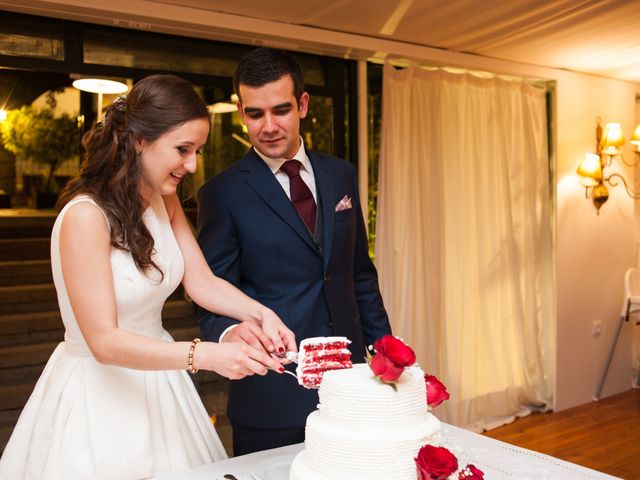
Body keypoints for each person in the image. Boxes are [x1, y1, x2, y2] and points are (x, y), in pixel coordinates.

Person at [0, 74, 295, 479]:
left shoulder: (164, 200)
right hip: (98, 394)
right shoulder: (85, 217)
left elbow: (202, 283)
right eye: (182, 149)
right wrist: (205, 355)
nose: (192, 165)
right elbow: (104, 341)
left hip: (161, 382)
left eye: (197, 151)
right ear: (139, 140)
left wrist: (261, 314)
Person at [196, 47, 392, 456]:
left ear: (302, 104)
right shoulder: (221, 194)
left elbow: (358, 274)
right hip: (274, 394)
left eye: (281, 110)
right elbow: (210, 293)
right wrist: (230, 334)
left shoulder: (341, 174)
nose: (268, 126)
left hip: (353, 383)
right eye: (254, 114)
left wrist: (386, 352)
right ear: (239, 110)